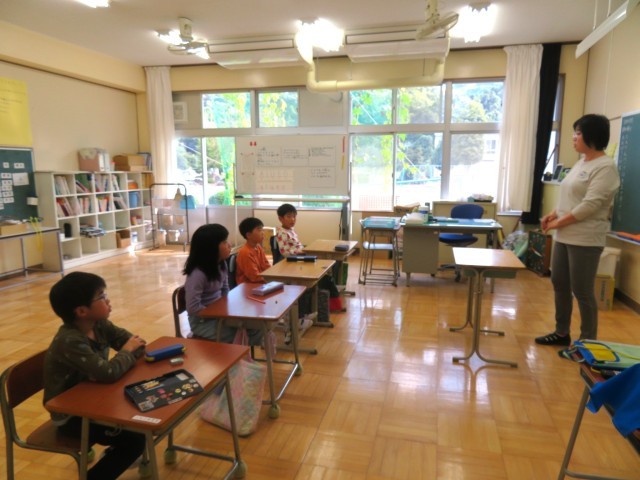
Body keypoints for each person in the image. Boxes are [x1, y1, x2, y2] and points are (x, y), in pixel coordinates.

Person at [43, 271, 147, 479]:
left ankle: (114, 453)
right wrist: (125, 354)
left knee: (143, 413)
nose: (108, 300)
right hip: (71, 416)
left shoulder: (99, 324)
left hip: (95, 400)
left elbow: (137, 345)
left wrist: (124, 355)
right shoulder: (70, 340)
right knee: (135, 440)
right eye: (101, 296)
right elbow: (109, 372)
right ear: (82, 311)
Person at [535, 114, 620, 346]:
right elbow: (570, 197)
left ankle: (587, 342)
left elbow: (589, 206)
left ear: (592, 136)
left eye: (578, 133)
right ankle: (561, 332)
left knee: (582, 290)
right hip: (565, 235)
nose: (574, 137)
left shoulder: (605, 167)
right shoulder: (581, 163)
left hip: (585, 239)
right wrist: (553, 214)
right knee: (559, 283)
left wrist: (557, 223)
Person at [183, 223, 262, 345]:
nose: (229, 244)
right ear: (211, 247)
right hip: (202, 322)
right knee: (245, 332)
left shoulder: (221, 264)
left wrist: (228, 311)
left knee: (256, 325)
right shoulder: (198, 273)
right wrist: (219, 314)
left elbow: (225, 290)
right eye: (224, 242)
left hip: (219, 315)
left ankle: (242, 354)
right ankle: (237, 355)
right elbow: (193, 307)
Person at [276, 203, 346, 313]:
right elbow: (285, 253)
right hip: (295, 263)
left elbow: (296, 246)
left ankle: (333, 305)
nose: (292, 219)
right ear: (280, 218)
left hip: (300, 259)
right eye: (289, 216)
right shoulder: (282, 233)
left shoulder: (291, 230)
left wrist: (304, 250)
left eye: (294, 216)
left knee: (327, 271)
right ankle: (331, 306)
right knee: (325, 275)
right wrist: (302, 252)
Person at [236, 217, 271, 285]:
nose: (263, 233)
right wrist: (272, 279)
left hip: (260, 282)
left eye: (262, 229)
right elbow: (254, 277)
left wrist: (274, 276)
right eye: (259, 230)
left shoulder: (258, 247)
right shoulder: (245, 252)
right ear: (248, 235)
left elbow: (266, 266)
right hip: (248, 286)